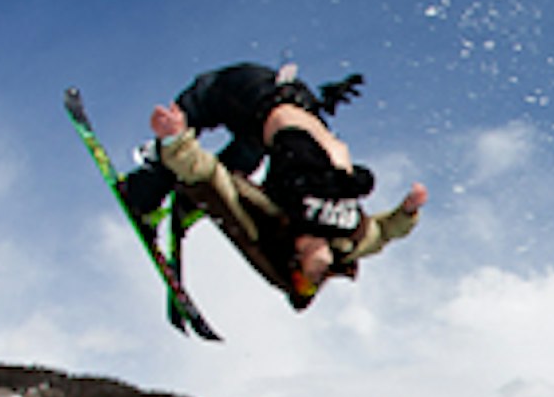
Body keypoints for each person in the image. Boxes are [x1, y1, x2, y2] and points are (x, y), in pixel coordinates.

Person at [117, 63, 426, 306]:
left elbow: (213, 178)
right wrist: (408, 211)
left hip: (249, 97)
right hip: (297, 100)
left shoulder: (269, 220)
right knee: (243, 158)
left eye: (305, 283)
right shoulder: (349, 241)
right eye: (318, 284)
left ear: (293, 264)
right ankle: (175, 189)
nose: (318, 278)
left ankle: (142, 193)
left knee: (198, 148)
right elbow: (385, 231)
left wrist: (176, 141)